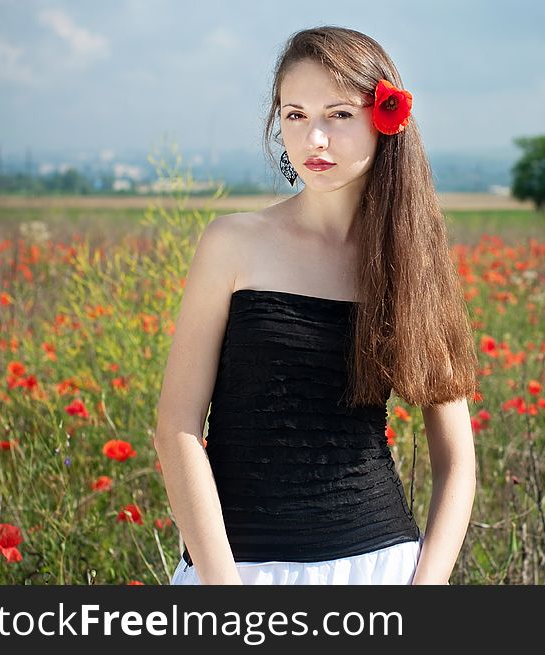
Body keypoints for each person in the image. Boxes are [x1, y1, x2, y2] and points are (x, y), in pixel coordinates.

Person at [153, 25, 478, 585]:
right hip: (236, 573)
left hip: (380, 569)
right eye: (295, 114)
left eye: (338, 115)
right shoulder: (231, 243)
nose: (314, 139)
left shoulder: (411, 262)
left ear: (384, 120)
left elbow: (457, 462)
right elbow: (177, 427)